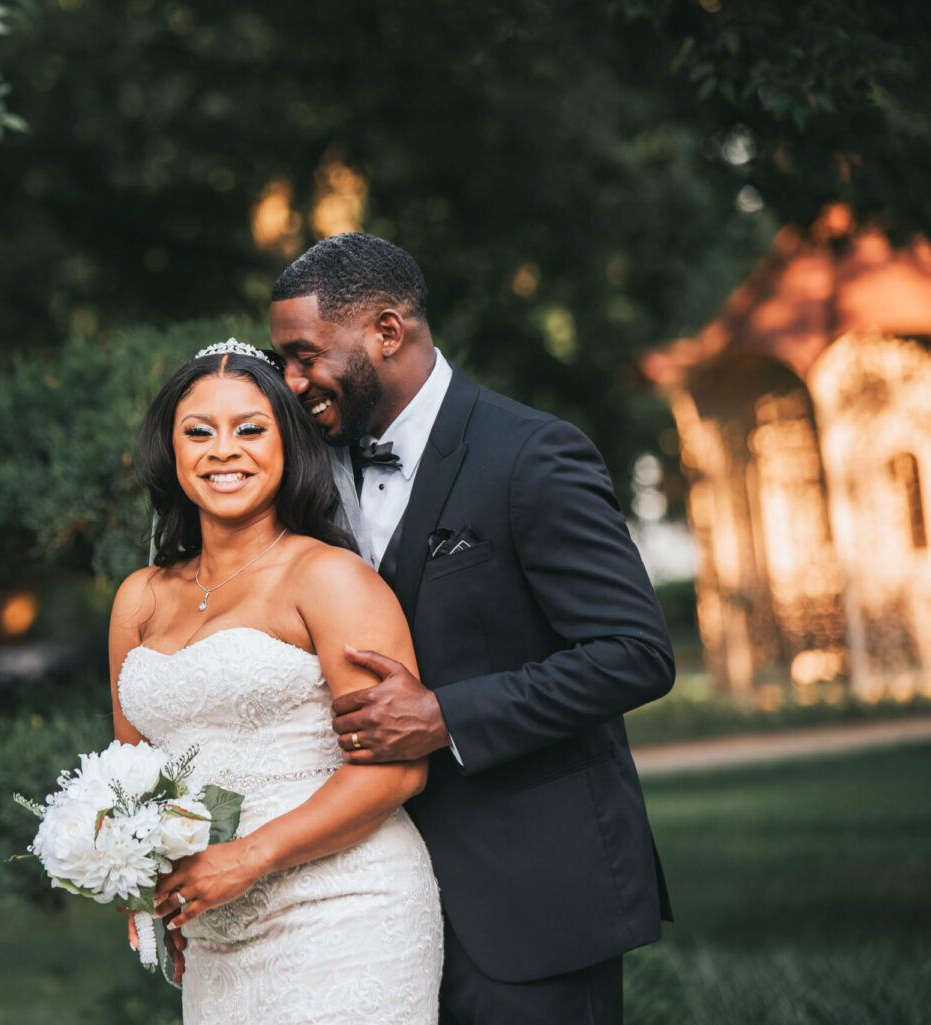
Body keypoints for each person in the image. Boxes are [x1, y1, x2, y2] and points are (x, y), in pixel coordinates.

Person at [266, 232, 675, 1025]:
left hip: (532, 894)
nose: (290, 380)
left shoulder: (532, 455)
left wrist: (445, 715)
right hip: (373, 911)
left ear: (388, 331)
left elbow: (635, 653)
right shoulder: (308, 472)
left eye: (305, 354)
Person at [109, 340, 444, 1025]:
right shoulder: (138, 598)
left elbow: (398, 771)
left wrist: (247, 859)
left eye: (249, 429)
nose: (222, 450)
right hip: (212, 929)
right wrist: (137, 875)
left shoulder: (329, 578)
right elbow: (133, 776)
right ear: (170, 452)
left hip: (345, 910)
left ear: (287, 443)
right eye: (198, 432)